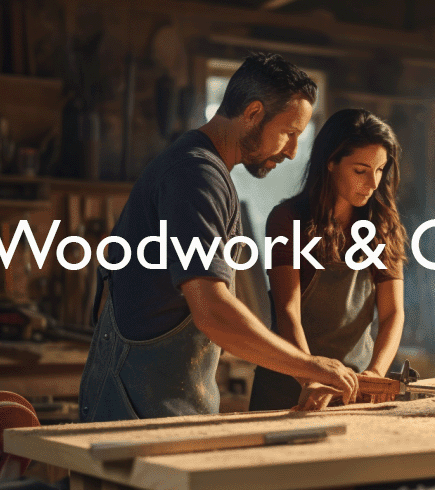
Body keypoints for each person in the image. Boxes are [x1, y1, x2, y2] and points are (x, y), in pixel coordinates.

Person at [78, 54, 358, 422]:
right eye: (289, 133)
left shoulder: (199, 167)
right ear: (254, 112)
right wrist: (308, 366)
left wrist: (301, 372)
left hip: (155, 402)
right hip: (135, 407)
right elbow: (212, 311)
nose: (291, 151)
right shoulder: (197, 175)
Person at [249, 108, 407, 412]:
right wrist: (310, 378)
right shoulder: (288, 220)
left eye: (379, 170)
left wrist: (374, 375)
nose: (372, 184)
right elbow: (287, 311)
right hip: (287, 386)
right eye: (360, 171)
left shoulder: (383, 228)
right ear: (331, 163)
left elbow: (392, 314)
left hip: (353, 390)